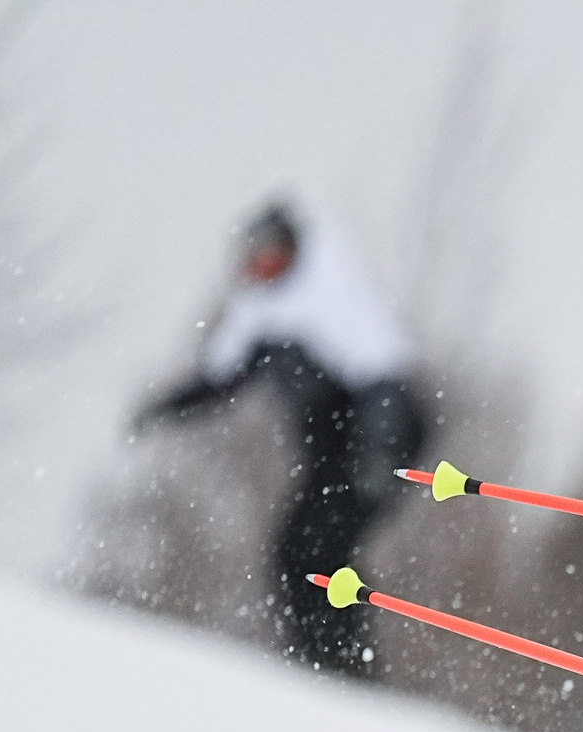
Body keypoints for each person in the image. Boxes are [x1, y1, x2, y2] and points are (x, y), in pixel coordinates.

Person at [134, 202, 423, 676]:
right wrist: (164, 408)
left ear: (291, 252)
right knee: (299, 550)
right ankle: (327, 658)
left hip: (379, 443)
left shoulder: (329, 295)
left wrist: (379, 452)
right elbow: (220, 381)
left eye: (270, 256)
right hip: (335, 453)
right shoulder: (260, 314)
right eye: (253, 258)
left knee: (314, 547)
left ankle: (343, 663)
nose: (260, 267)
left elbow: (384, 380)